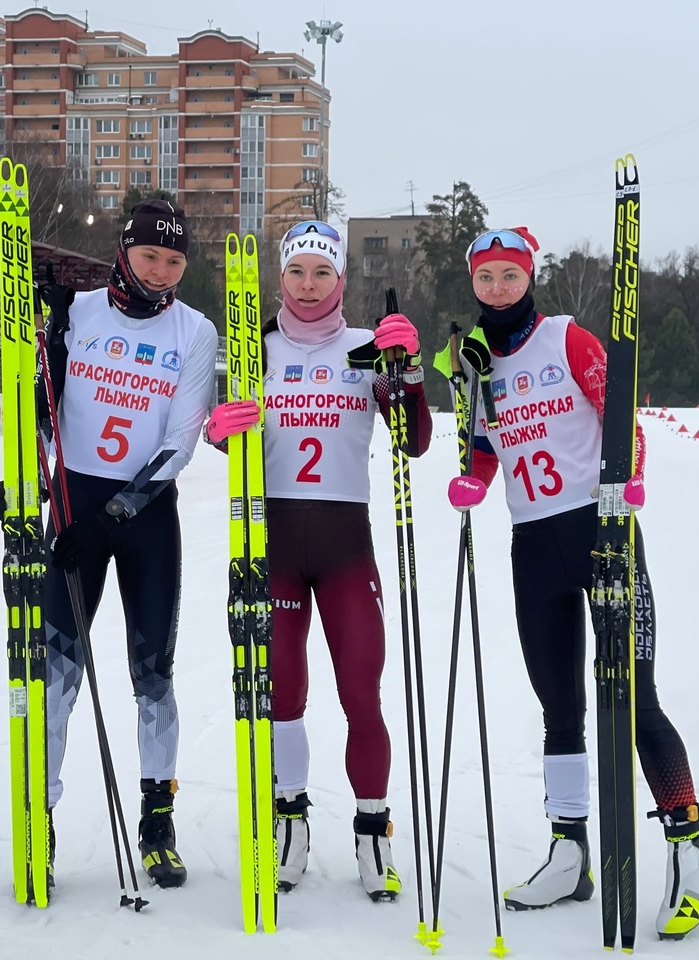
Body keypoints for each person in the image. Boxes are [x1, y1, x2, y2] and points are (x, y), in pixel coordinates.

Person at [441, 227, 699, 940]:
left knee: (633, 701)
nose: (498, 287)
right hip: (532, 545)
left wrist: (630, 486)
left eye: (509, 274)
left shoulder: (567, 338)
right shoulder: (476, 360)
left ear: (530, 276)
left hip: (601, 530)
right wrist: (472, 479)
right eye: (486, 277)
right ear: (473, 282)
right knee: (559, 710)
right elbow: (485, 445)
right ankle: (571, 852)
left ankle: (687, 849)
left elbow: (620, 418)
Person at [203, 221, 432, 901]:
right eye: (298, 272)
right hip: (274, 543)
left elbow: (414, 441)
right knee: (284, 696)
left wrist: (409, 373)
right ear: (280, 278)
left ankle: (372, 833)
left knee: (363, 693)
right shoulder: (255, 349)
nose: (309, 285)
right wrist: (220, 433)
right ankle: (292, 821)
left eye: (322, 273)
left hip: (344, 546)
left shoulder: (367, 349)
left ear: (341, 281)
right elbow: (233, 431)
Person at [31, 199, 217, 891]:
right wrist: (40, 493)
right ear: (124, 251)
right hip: (74, 513)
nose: (162, 272)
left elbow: (179, 442)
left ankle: (157, 823)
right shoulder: (74, 311)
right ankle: (38, 817)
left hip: (142, 518)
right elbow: (40, 420)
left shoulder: (193, 331)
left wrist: (110, 516)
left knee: (153, 677)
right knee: (55, 673)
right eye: (150, 257)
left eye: (174, 261)